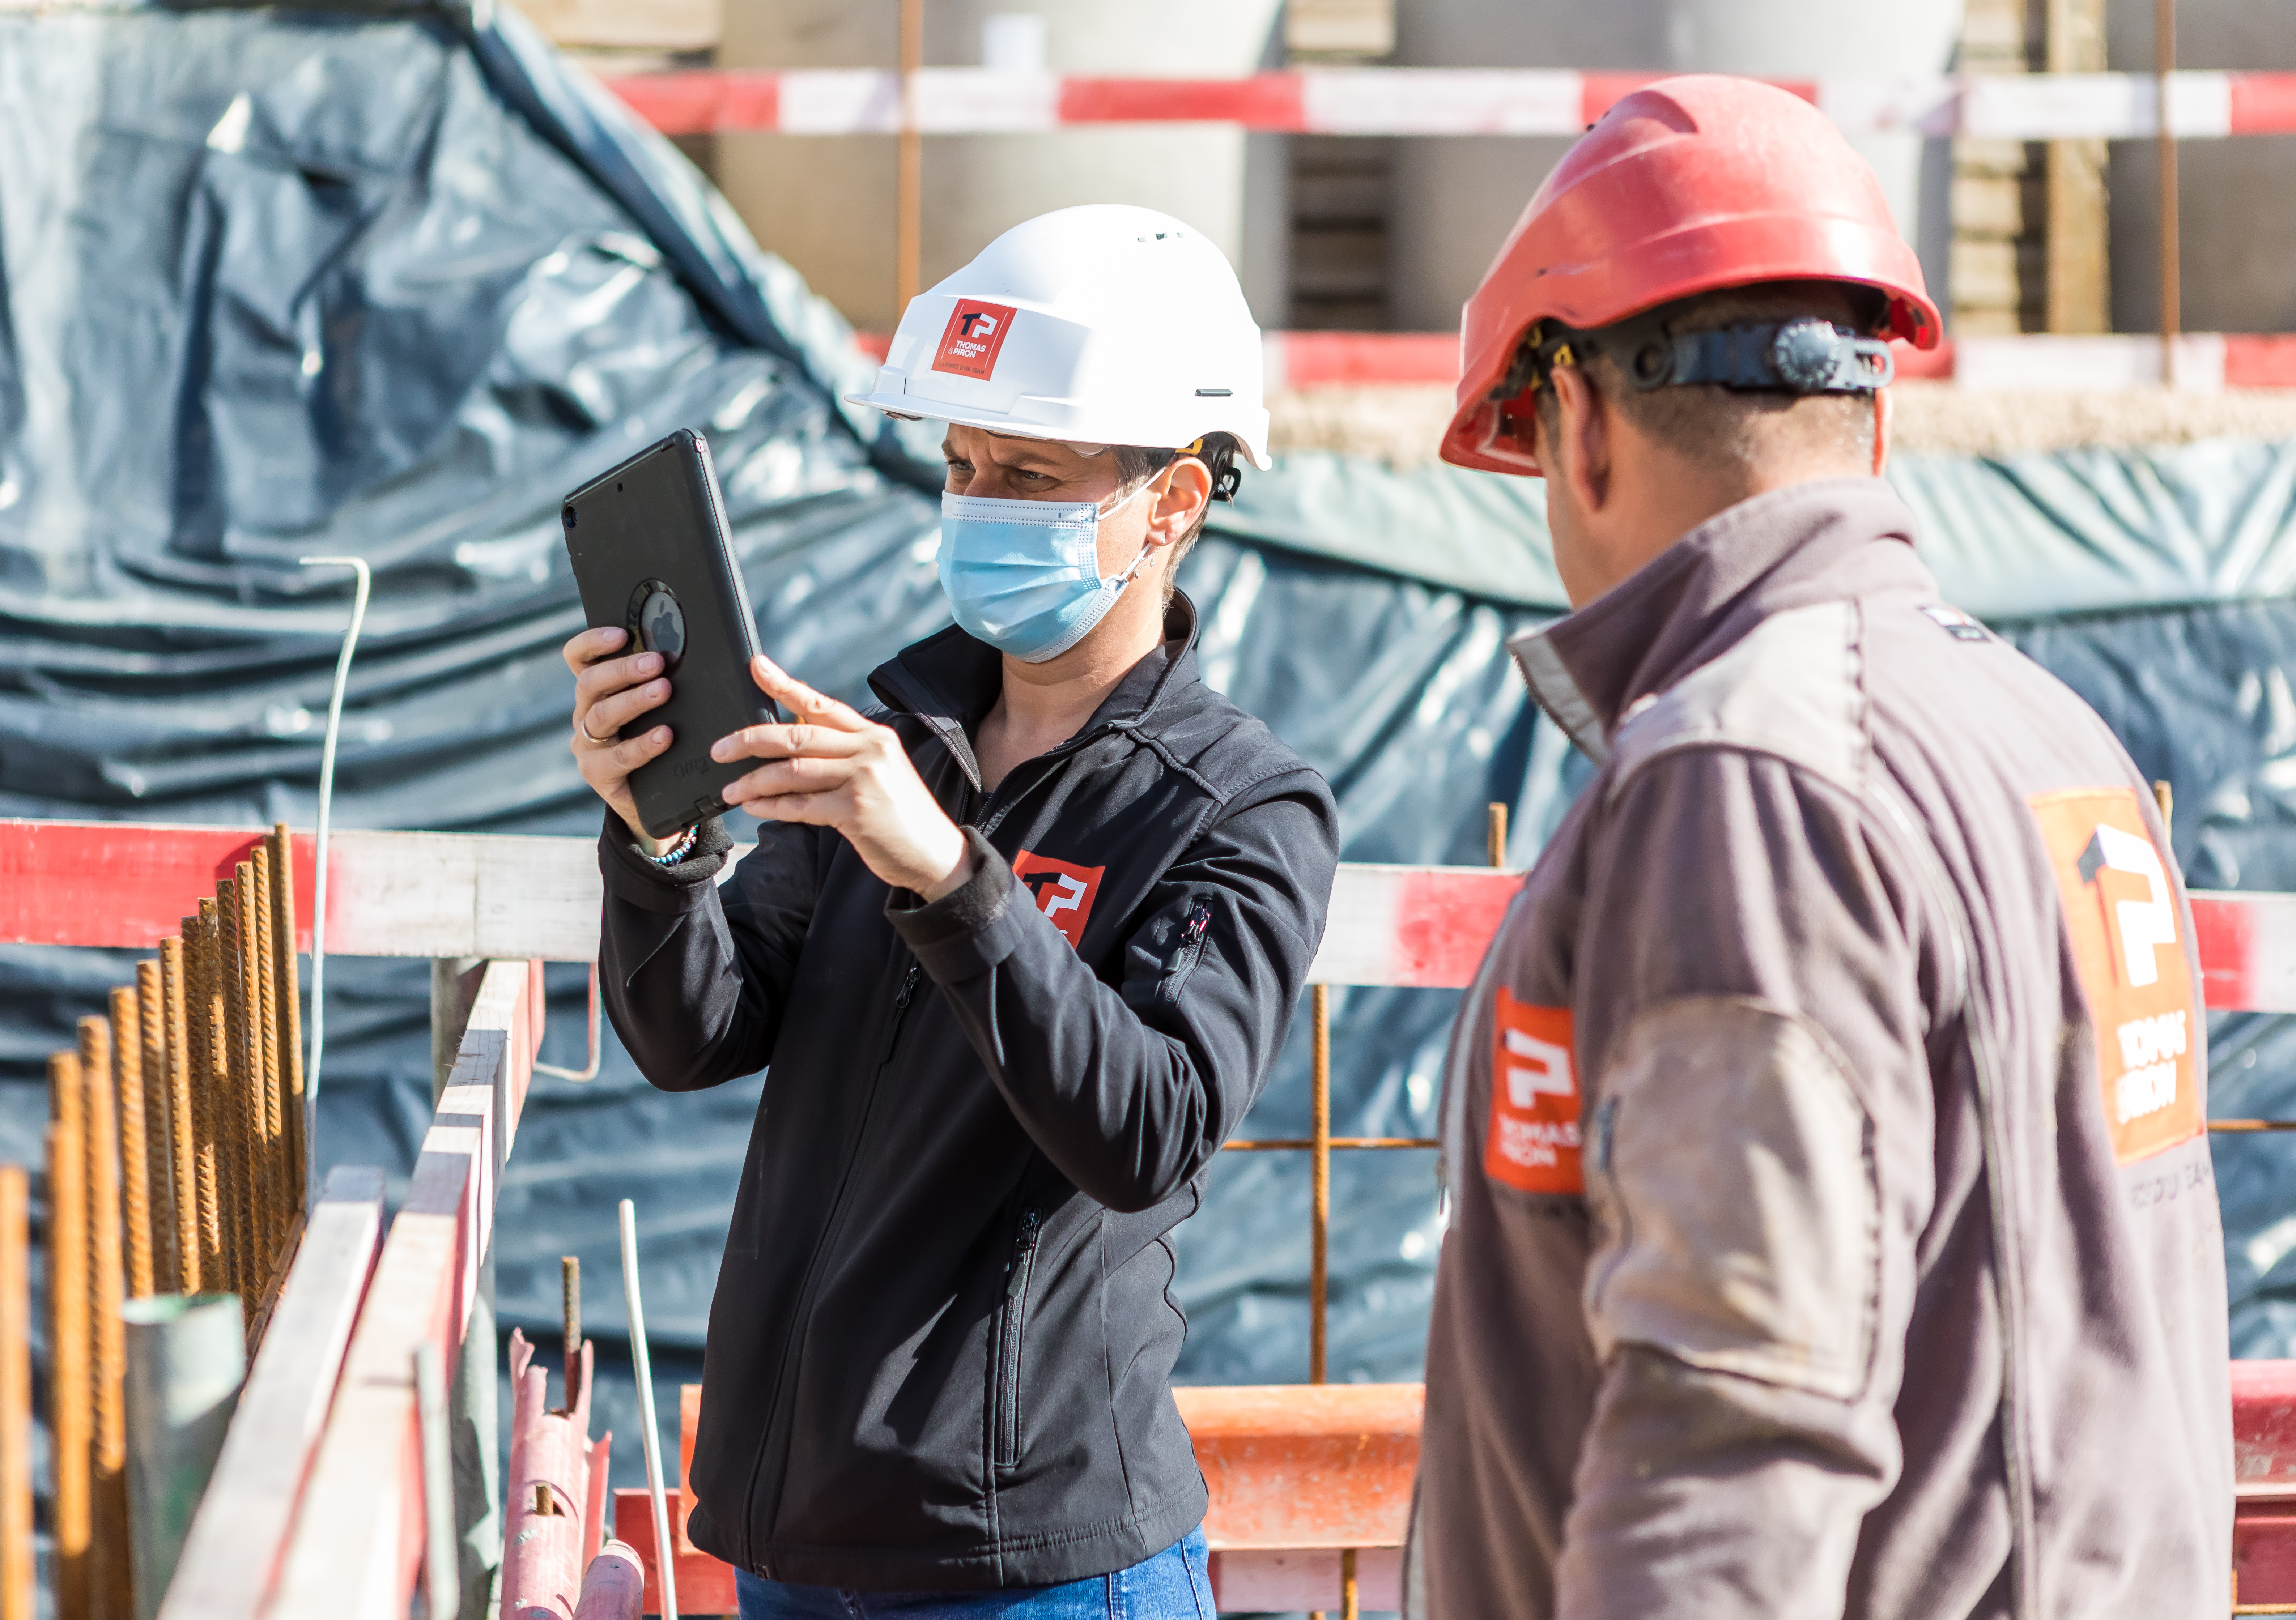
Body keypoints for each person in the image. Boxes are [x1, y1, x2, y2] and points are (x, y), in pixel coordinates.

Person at [1415, 76, 2231, 1618]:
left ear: (1577, 424)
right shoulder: (2043, 733)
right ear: (1876, 404)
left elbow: (1732, 1432)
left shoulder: (1752, 775)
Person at [563, 204, 1339, 1617]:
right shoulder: (901, 731)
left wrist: (948, 875)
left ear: (1170, 504)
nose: (976, 502)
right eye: (963, 464)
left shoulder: (1237, 807)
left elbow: (1149, 1131)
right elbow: (699, 1033)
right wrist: (659, 839)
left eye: (1029, 474)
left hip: (1022, 1558)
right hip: (789, 1528)